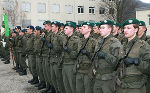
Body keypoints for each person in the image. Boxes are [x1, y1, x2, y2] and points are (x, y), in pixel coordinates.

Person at [116, 18, 150, 93]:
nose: (125, 30)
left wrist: (137, 61)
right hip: (121, 85)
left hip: (135, 87)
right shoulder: (123, 45)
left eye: (128, 28)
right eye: (124, 28)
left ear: (136, 30)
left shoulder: (143, 45)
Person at [92, 20, 122, 93]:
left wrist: (105, 55)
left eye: (103, 28)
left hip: (108, 77)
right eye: (100, 28)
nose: (100, 30)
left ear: (109, 29)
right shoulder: (99, 41)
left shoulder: (114, 42)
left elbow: (116, 62)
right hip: (98, 76)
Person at [75, 22, 95, 93]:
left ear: (89, 29)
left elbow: (96, 57)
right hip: (79, 69)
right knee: (79, 89)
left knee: (88, 90)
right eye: (82, 27)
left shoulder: (94, 41)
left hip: (88, 71)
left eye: (84, 27)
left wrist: (88, 53)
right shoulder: (80, 40)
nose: (82, 28)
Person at [62, 21, 79, 93]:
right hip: (64, 64)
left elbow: (76, 55)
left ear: (71, 29)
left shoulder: (76, 40)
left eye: (66, 28)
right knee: (66, 85)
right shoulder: (65, 38)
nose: (64, 30)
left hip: (71, 65)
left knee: (72, 85)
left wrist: (69, 51)